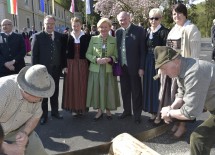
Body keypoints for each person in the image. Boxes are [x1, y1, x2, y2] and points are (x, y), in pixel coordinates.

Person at [154, 46, 215, 155]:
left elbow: (190, 113)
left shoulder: (193, 72)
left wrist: (169, 113)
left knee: (198, 138)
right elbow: (181, 94)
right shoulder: (181, 69)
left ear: (176, 61)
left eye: (164, 68)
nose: (162, 72)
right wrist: (171, 108)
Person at [156, 3, 201, 137]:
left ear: (185, 13)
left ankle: (183, 125)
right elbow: (167, 51)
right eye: (174, 14)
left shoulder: (192, 29)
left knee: (184, 98)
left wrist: (191, 71)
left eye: (179, 13)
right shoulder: (173, 30)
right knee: (173, 96)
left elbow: (195, 54)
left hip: (184, 69)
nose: (176, 16)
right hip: (172, 70)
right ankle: (176, 122)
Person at [0, 64, 55, 155]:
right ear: (27, 90)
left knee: (38, 152)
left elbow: (36, 116)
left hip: (16, 129)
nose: (41, 99)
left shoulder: (39, 91)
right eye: (38, 96)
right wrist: (5, 147)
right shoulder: (4, 89)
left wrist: (25, 132)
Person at [31, 15, 66, 125]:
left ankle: (55, 112)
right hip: (43, 71)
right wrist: (35, 71)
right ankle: (43, 115)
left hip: (56, 69)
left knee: (55, 91)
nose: (50, 26)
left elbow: (63, 53)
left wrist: (64, 66)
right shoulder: (38, 36)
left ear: (54, 25)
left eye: (52, 24)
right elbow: (34, 56)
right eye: (47, 24)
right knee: (44, 94)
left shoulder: (60, 36)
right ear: (44, 25)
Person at [86, 18, 120, 121]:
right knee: (97, 90)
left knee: (109, 90)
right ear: (98, 28)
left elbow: (117, 55)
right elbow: (87, 54)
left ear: (110, 28)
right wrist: (96, 60)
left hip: (109, 70)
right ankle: (100, 110)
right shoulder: (93, 39)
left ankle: (108, 110)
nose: (103, 29)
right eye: (101, 27)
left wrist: (110, 59)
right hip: (96, 70)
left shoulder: (114, 40)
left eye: (106, 27)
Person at [115, 11, 145, 124]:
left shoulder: (139, 30)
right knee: (125, 90)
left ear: (129, 18)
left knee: (136, 91)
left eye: (124, 19)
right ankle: (127, 111)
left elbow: (143, 51)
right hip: (122, 67)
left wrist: (141, 67)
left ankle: (137, 115)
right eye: (120, 20)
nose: (122, 21)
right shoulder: (117, 32)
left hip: (135, 67)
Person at [142, 8, 169, 123]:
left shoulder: (164, 32)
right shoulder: (147, 31)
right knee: (150, 87)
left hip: (159, 63)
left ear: (160, 18)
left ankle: (159, 114)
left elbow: (166, 50)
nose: (153, 20)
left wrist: (161, 66)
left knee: (159, 88)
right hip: (148, 63)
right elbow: (144, 49)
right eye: (151, 18)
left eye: (156, 18)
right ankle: (153, 112)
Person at [62, 17, 91, 117]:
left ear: (81, 25)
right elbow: (63, 53)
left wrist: (90, 65)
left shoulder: (87, 36)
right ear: (71, 25)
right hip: (71, 64)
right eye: (74, 25)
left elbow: (90, 52)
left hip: (83, 64)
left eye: (78, 25)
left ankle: (81, 107)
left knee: (82, 85)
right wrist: (64, 66)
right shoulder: (67, 36)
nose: (76, 27)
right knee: (72, 86)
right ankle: (74, 108)